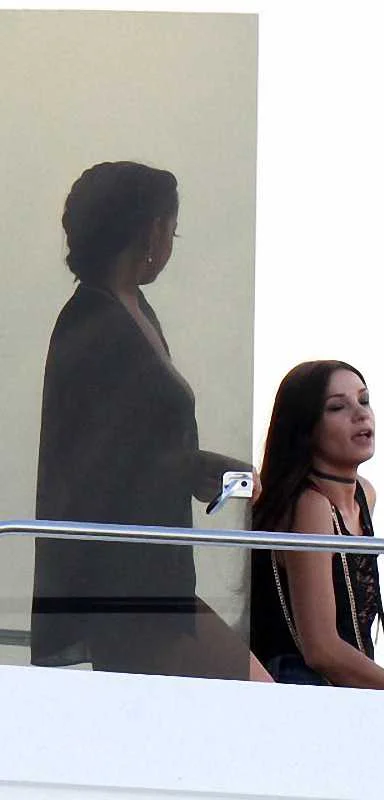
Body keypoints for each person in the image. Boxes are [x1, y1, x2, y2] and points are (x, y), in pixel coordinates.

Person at [32, 161, 266, 680]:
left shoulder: (132, 311)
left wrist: (199, 470)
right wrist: (196, 468)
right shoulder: (95, 323)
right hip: (124, 577)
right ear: (152, 230)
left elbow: (134, 446)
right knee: (254, 694)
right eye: (171, 230)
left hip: (151, 567)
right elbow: (102, 458)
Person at [250, 360, 384, 689]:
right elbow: (321, 650)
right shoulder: (310, 506)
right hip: (302, 685)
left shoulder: (365, 494)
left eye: (364, 400)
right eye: (337, 407)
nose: (361, 414)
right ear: (306, 428)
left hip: (345, 685)